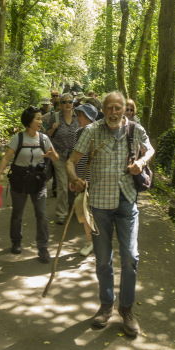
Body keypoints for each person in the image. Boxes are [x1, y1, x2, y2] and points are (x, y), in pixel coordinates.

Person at [66, 91, 154, 337]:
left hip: (126, 202)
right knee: (103, 259)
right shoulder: (92, 132)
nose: (114, 113)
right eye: (110, 109)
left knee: (130, 257)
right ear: (103, 110)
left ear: (125, 108)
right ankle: (106, 305)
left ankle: (126, 309)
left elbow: (150, 150)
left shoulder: (135, 129)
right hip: (99, 206)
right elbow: (71, 161)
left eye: (119, 108)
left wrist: (142, 162)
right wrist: (74, 179)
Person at [0, 106, 59, 262]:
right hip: (19, 180)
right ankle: (16, 241)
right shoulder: (18, 139)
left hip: (38, 181)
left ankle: (43, 247)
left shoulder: (44, 139)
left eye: (40, 118)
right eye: (37, 118)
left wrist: (53, 155)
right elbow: (6, 158)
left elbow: (55, 158)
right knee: (17, 214)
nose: (40, 121)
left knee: (42, 215)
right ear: (28, 122)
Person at [69, 102, 99, 256]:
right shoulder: (78, 132)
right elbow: (75, 158)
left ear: (88, 117)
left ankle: (98, 242)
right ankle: (90, 241)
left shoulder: (98, 132)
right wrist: (73, 178)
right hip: (81, 179)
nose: (77, 117)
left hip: (96, 180)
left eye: (80, 115)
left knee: (97, 213)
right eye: (77, 114)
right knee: (83, 211)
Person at [45, 92, 78, 224]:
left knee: (73, 184)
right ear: (61, 104)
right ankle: (61, 213)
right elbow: (46, 135)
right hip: (59, 156)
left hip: (75, 157)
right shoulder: (55, 117)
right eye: (64, 102)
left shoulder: (78, 116)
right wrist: (52, 129)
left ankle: (72, 209)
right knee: (63, 185)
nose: (67, 104)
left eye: (70, 102)